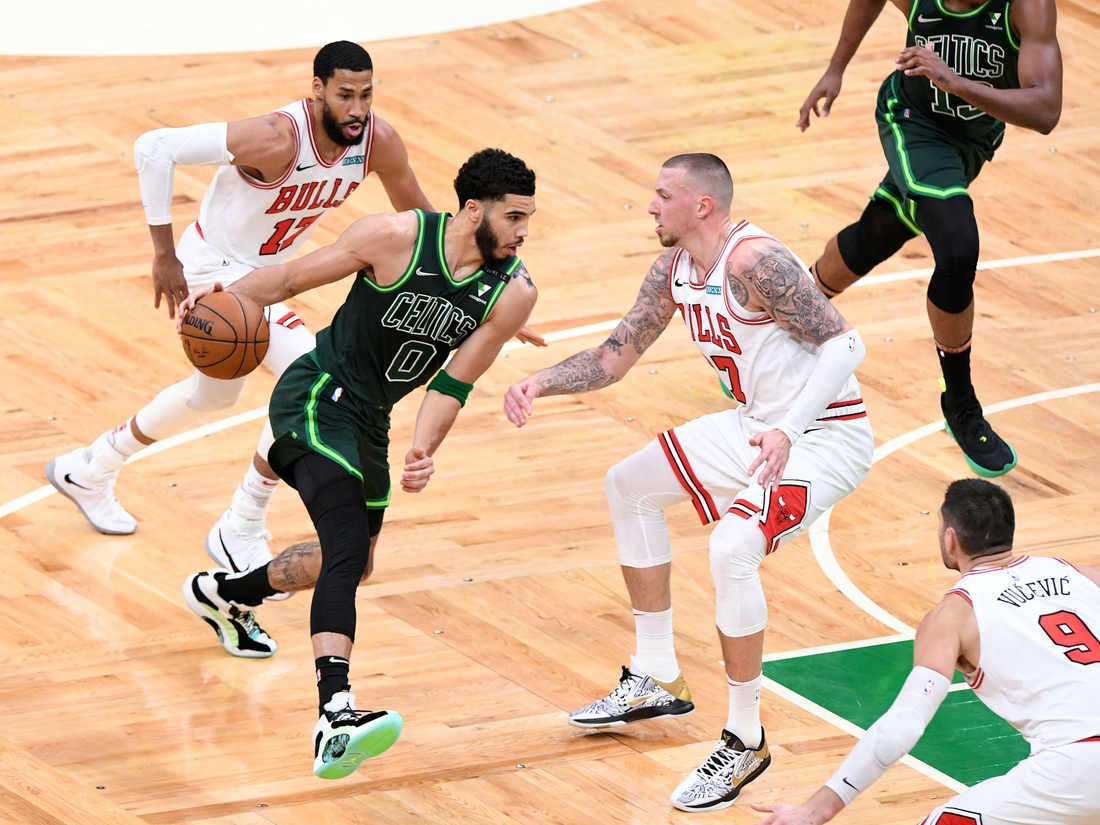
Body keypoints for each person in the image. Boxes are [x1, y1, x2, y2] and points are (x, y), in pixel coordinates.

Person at [44, 41, 543, 572]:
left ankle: (91, 467)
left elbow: (428, 221)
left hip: (265, 273)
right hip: (213, 268)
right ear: (317, 90)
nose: (357, 108)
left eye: (367, 95)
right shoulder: (276, 137)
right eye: (345, 94)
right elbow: (152, 147)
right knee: (310, 373)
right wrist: (165, 256)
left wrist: (474, 291)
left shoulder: (377, 142)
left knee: (211, 397)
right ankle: (241, 523)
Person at [504, 154, 874, 812]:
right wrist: (542, 381)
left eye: (662, 195)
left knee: (732, 548)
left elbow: (847, 347)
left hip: (823, 438)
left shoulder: (754, 261)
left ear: (703, 206)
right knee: (630, 485)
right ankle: (655, 673)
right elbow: (614, 356)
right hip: (756, 428)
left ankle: (746, 737)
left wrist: (788, 429)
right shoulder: (673, 271)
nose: (650, 206)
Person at [178, 148, 539, 780]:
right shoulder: (395, 236)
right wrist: (219, 299)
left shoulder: (512, 291)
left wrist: (424, 447)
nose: (523, 231)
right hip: (318, 395)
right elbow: (288, 280)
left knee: (352, 563)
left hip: (373, 422)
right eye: (514, 217)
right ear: (474, 209)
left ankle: (222, 594)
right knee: (344, 542)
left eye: (529, 218)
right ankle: (335, 714)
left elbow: (453, 382)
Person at [798, 0, 1062, 478]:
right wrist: (836, 68)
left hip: (972, 140)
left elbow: (1045, 110)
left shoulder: (1026, 7)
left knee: (876, 236)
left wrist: (954, 81)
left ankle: (780, 316)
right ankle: (960, 403)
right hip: (911, 119)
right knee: (958, 249)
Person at [753, 478, 1100, 825]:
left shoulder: (952, 616)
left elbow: (903, 725)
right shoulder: (1082, 575)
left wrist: (817, 810)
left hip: (1075, 769)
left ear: (950, 539)